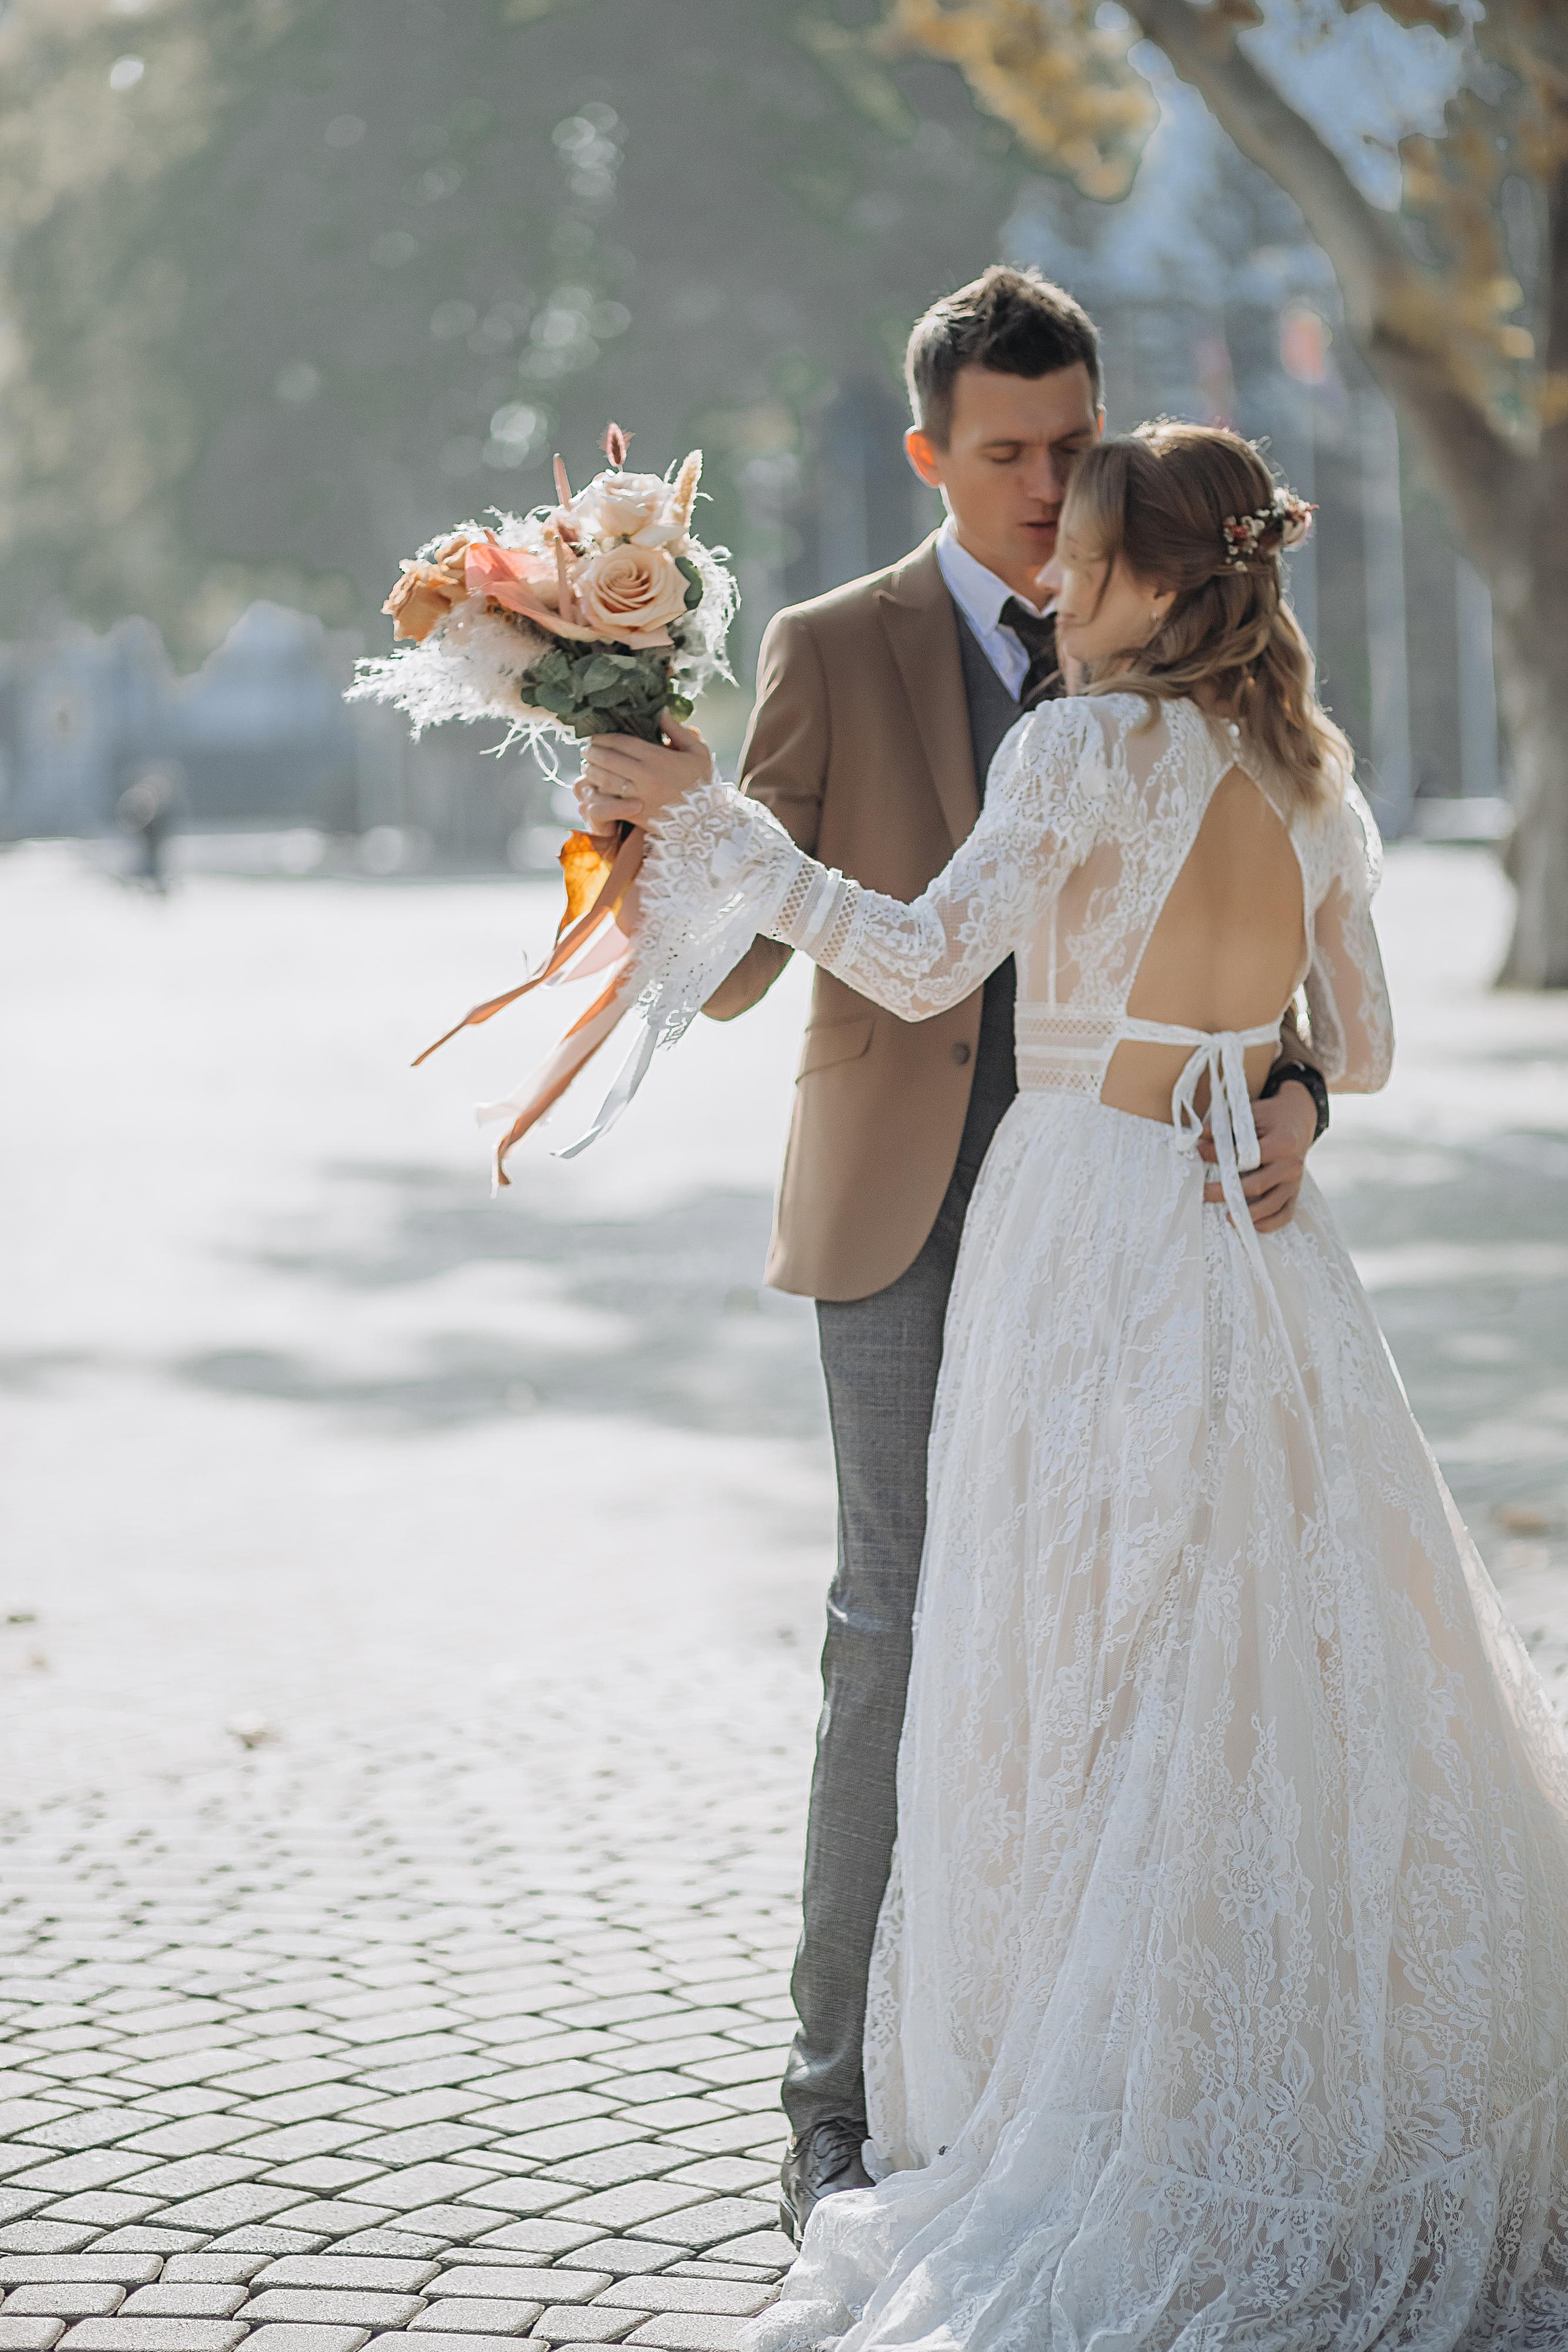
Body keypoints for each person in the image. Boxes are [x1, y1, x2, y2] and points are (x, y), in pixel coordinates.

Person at [573, 421, 1568, 2347]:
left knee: (1080, 1655)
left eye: (1084, 562)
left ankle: (1123, 2091)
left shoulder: (1079, 750)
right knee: (1275, 1646)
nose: (1048, 587)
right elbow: (1352, 1042)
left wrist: (728, 835)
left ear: (1166, 584)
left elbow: (931, 961)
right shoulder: (1314, 776)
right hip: (1256, 1243)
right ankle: (1302, 2058)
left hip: (1084, 1230)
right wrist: (1270, 1083)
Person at [616, 268, 1329, 2241]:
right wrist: (640, 837)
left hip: (1148, 1219)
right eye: (1007, 453)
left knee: (1129, 1637)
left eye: (1072, 448)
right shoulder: (833, 649)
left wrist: (1298, 1096)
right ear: (932, 452)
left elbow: (1288, 953)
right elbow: (745, 954)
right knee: (899, 1636)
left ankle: (1079, 2063)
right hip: (912, 1217)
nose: (1045, 485)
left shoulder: (1199, 638)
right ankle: (837, 2103)